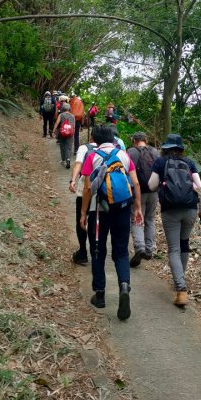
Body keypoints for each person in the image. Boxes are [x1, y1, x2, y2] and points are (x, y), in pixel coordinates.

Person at [80, 125, 143, 321]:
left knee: (98, 250)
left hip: (99, 211)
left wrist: (83, 213)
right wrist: (138, 208)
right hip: (123, 208)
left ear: (95, 139)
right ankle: (124, 286)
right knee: (121, 250)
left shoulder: (92, 156)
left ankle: (100, 295)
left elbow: (88, 188)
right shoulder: (123, 155)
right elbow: (136, 183)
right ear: (112, 138)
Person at [148, 133, 201, 307]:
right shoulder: (189, 163)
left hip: (170, 210)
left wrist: (162, 186)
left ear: (165, 148)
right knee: (184, 244)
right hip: (190, 209)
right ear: (181, 148)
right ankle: (180, 279)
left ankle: (181, 289)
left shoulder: (160, 162)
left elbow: (151, 185)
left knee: (173, 249)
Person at [127, 131, 159, 267]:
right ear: (146, 140)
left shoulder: (130, 152)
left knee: (136, 219)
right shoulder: (155, 152)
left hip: (137, 191)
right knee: (150, 219)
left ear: (134, 140)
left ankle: (140, 247)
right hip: (154, 191)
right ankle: (149, 248)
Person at [69, 135, 98, 265]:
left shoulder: (84, 148)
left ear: (91, 137)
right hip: (101, 190)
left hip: (84, 188)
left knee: (81, 219)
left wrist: (73, 180)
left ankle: (82, 252)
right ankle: (95, 252)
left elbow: (78, 164)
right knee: (95, 220)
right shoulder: (110, 150)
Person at [52, 103, 75, 169]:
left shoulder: (61, 115)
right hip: (70, 133)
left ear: (63, 108)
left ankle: (63, 160)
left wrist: (53, 131)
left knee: (62, 146)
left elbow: (57, 123)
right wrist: (73, 133)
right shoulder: (72, 116)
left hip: (62, 133)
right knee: (69, 147)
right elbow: (74, 126)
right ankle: (68, 159)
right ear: (69, 108)